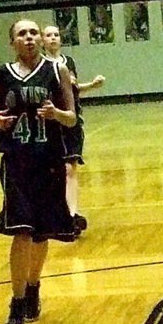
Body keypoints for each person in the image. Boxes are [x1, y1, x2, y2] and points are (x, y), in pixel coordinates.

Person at [0, 18, 77, 324]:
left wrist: (56, 115)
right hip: (16, 162)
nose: (30, 37)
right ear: (13, 42)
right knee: (21, 231)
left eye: (34, 32)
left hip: (48, 162)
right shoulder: (1, 74)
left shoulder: (56, 71)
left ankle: (33, 286)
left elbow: (72, 117)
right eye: (23, 33)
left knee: (40, 233)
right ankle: (17, 303)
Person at [41, 23, 105, 235]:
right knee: (54, 170)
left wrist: (91, 86)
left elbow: (72, 91)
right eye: (48, 35)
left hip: (71, 122)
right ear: (43, 40)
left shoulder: (68, 62)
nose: (53, 38)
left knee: (70, 168)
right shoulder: (40, 67)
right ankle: (55, 212)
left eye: (56, 35)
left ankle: (71, 215)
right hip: (50, 124)